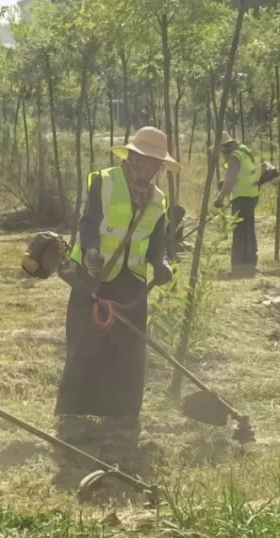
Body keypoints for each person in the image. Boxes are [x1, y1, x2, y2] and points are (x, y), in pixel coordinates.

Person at [56, 126, 176, 433]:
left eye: (157, 163)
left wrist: (162, 265)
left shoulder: (158, 201)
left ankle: (122, 413)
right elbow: (89, 222)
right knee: (85, 342)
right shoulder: (104, 181)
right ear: (133, 157)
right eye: (147, 160)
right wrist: (93, 251)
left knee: (129, 350)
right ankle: (74, 413)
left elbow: (157, 246)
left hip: (132, 282)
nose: (151, 168)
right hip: (94, 276)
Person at [213, 131, 260, 276]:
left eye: (221, 148)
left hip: (242, 197)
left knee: (239, 231)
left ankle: (238, 267)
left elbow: (230, 182)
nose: (221, 152)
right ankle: (250, 262)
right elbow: (241, 175)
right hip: (251, 196)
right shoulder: (243, 152)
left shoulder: (233, 157)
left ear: (226, 146)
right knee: (248, 230)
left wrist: (219, 198)